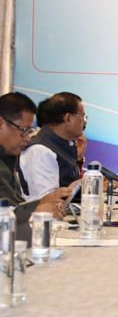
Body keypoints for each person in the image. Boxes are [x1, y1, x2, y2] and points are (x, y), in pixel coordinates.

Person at [0, 92, 70, 241]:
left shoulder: (8, 158)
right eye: (23, 131)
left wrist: (43, 203)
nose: (27, 139)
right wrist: (36, 213)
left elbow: (12, 209)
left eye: (30, 131)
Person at [19, 92, 85, 201]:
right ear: (68, 118)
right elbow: (46, 202)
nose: (84, 122)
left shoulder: (63, 144)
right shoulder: (40, 151)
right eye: (82, 116)